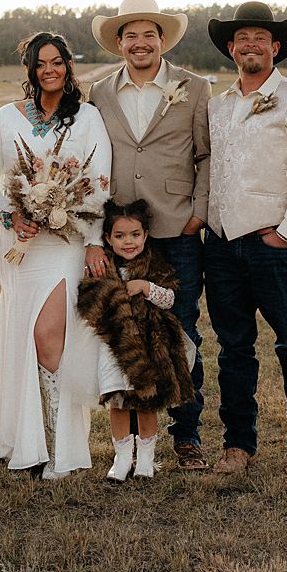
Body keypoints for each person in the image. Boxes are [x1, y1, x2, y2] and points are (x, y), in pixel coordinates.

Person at [0, 31, 113, 478]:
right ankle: (26, 437)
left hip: (67, 245)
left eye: (58, 62)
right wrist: (12, 217)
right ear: (30, 70)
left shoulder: (86, 117)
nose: (50, 70)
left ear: (69, 67)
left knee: (51, 338)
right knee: (24, 333)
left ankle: (58, 446)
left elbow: (100, 179)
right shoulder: (8, 119)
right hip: (21, 246)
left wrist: (93, 239)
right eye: (41, 64)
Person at [202, 2, 287, 484]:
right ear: (231, 48)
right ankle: (238, 444)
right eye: (242, 38)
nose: (250, 44)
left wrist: (286, 230)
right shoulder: (217, 105)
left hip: (272, 245)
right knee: (233, 348)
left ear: (276, 47)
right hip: (220, 245)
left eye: (260, 37)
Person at [86, 0, 212, 471]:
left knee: (179, 325)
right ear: (119, 43)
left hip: (177, 223)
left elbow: (204, 155)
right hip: (121, 233)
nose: (140, 43)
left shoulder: (193, 88)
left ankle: (187, 435)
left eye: (149, 35)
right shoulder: (99, 92)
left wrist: (198, 211)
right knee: (124, 327)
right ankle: (131, 437)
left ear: (163, 40)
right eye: (131, 35)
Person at [77, 199, 196, 481]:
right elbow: (89, 304)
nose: (128, 242)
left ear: (145, 235)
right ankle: (121, 459)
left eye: (135, 235)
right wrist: (113, 297)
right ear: (107, 238)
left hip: (148, 345)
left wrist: (146, 288)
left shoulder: (154, 265)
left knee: (146, 401)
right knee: (117, 401)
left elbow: (170, 299)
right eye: (119, 236)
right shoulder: (102, 268)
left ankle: (146, 458)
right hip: (114, 346)